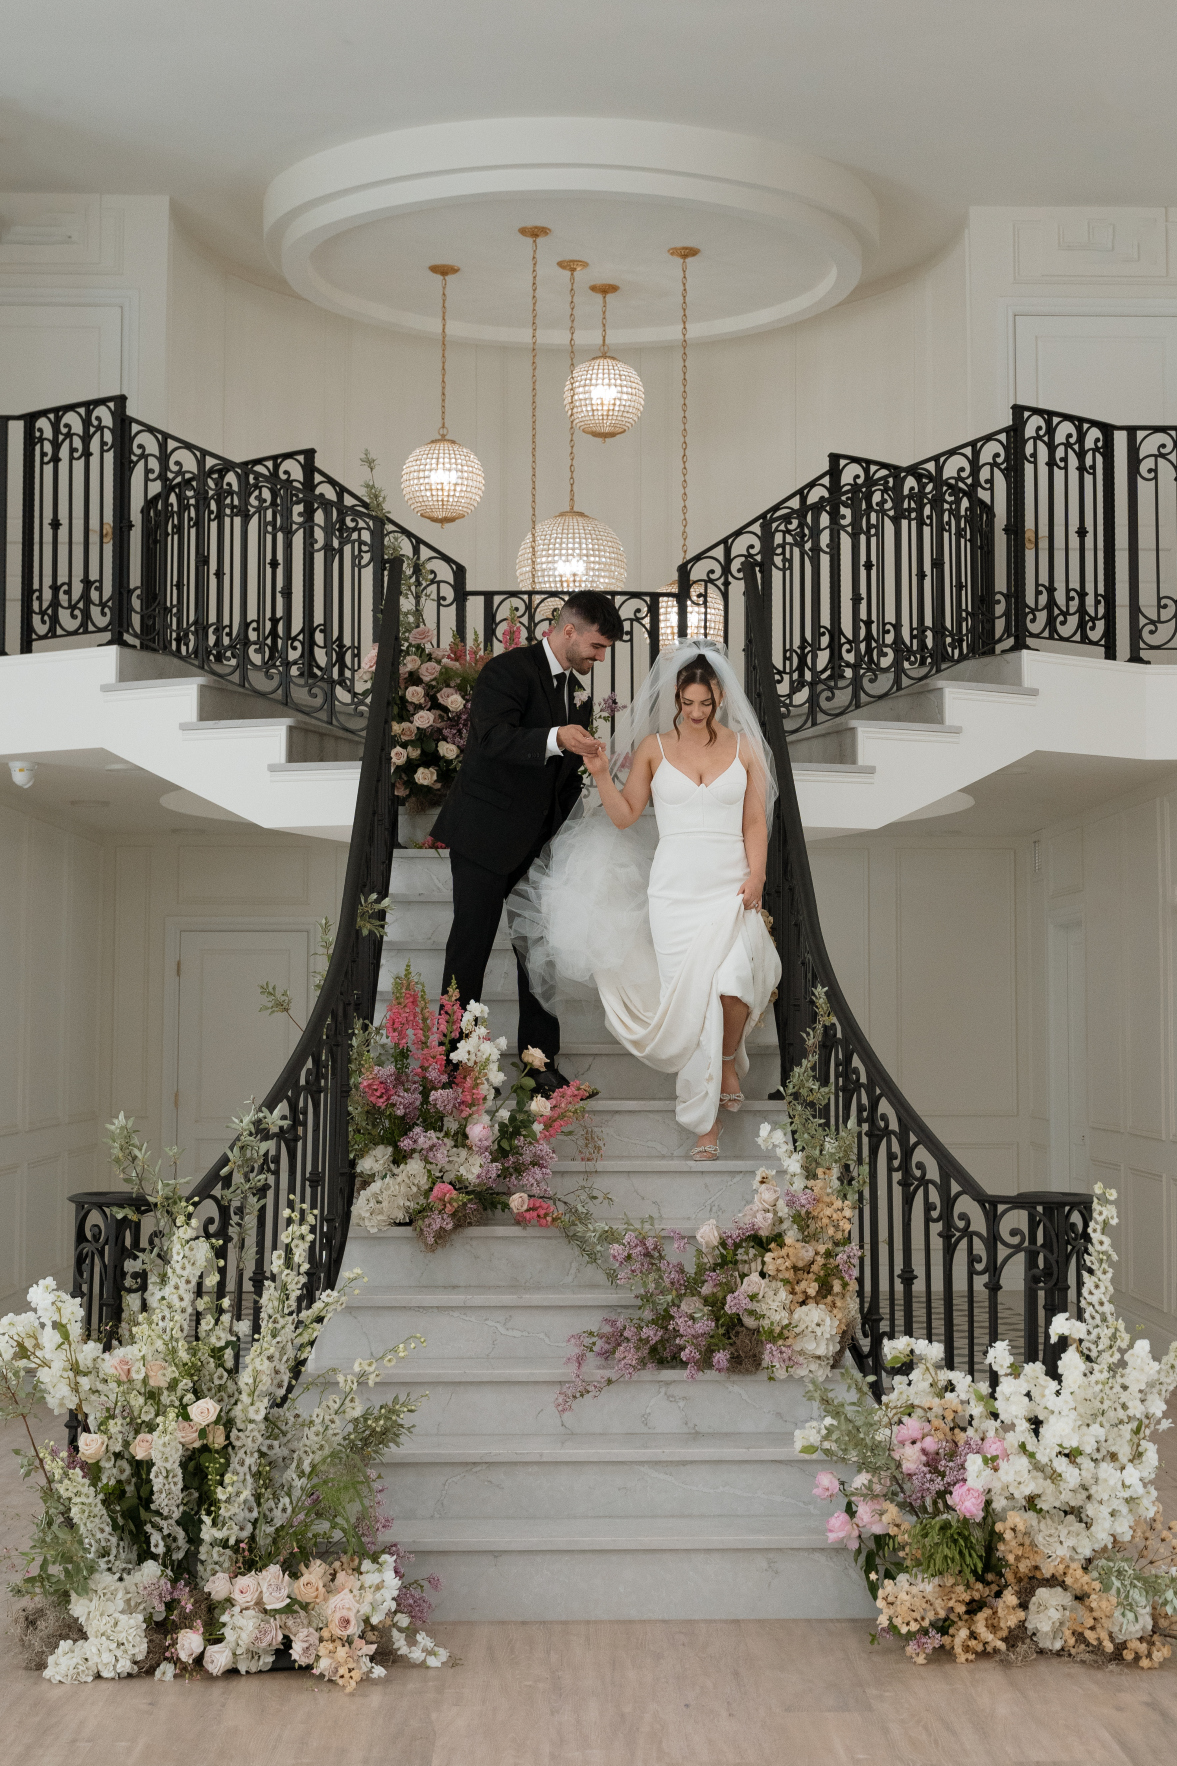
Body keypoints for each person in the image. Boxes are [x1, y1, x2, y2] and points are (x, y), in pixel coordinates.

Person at [508, 640, 781, 1153]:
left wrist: (758, 877)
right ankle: (706, 1123)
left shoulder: (745, 747)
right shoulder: (655, 747)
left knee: (736, 978)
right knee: (698, 1000)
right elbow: (625, 814)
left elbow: (754, 821)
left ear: (719, 695)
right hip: (675, 890)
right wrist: (597, 774)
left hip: (730, 882)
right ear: (677, 697)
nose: (696, 713)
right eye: (688, 703)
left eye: (705, 702)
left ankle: (724, 1062)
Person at [432, 590, 623, 1094]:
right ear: (568, 631)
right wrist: (558, 737)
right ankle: (454, 1066)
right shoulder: (507, 670)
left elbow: (556, 779)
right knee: (468, 952)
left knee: (539, 952)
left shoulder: (576, 694)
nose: (599, 658)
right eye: (597, 646)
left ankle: (540, 1064)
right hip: (484, 836)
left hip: (538, 848)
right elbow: (491, 738)